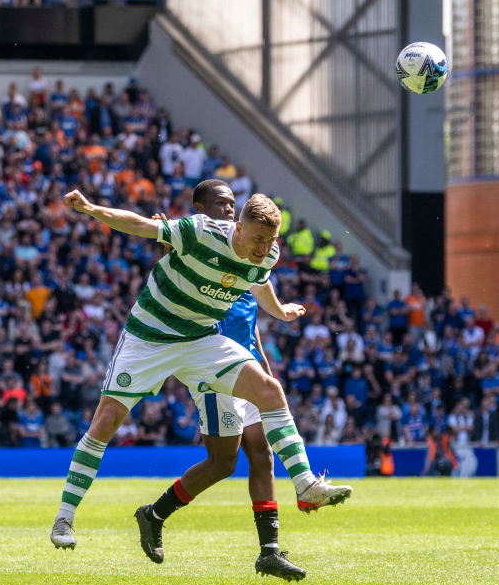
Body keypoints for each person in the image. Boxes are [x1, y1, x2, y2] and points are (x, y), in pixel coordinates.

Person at [50, 189, 352, 552]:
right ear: (238, 227)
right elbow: (142, 226)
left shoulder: (268, 253)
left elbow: (260, 280)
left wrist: (281, 311)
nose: (263, 248)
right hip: (149, 337)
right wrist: (92, 209)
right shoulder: (200, 231)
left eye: (270, 241)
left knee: (270, 391)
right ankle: (65, 517)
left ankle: (305, 484)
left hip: (199, 339)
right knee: (105, 424)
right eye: (257, 239)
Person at [134, 180, 305, 580]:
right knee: (223, 461)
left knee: (260, 455)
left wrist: (262, 363)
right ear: (198, 208)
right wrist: (168, 245)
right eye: (221, 204)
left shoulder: (248, 258)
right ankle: (154, 513)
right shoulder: (194, 248)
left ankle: (269, 551)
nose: (229, 211)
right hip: (212, 368)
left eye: (232, 205)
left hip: (244, 366)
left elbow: (250, 319)